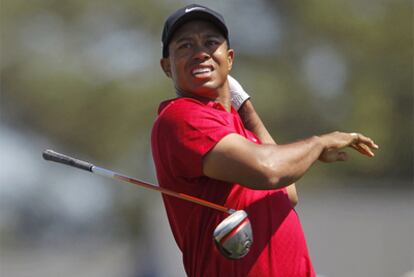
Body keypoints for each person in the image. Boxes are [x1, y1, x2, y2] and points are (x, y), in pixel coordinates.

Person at [151, 4, 378, 277]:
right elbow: (269, 170)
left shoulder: (237, 129)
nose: (200, 53)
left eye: (211, 43)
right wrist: (319, 143)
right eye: (185, 46)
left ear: (230, 58)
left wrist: (243, 103)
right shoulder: (182, 116)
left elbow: (287, 191)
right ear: (167, 66)